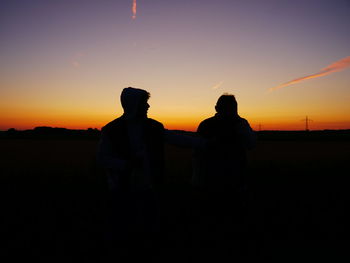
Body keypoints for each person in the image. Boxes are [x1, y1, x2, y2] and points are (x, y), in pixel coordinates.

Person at [97, 87, 204, 255]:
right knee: (124, 229)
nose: (148, 107)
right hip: (122, 189)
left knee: (150, 227)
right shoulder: (111, 130)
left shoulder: (154, 126)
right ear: (133, 105)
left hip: (151, 186)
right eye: (144, 103)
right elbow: (103, 159)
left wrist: (205, 144)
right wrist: (126, 165)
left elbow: (175, 138)